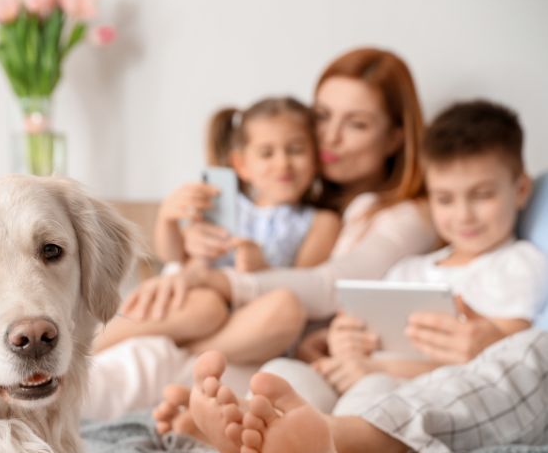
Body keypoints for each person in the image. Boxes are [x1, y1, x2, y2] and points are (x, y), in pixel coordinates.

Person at [181, 99, 548, 453]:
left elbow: (499, 368)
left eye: (482, 195)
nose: (464, 215)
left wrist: (374, 368)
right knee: (284, 374)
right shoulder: (410, 268)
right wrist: (340, 340)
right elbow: (356, 327)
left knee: (376, 391)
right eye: (445, 199)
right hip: (358, 377)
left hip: (408, 392)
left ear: (521, 190)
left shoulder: (520, 264)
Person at [87, 47, 439, 420]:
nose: (330, 138)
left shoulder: (406, 216)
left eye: (357, 124)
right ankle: (95, 349)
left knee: (169, 354)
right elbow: (188, 252)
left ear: (395, 138)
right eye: (322, 117)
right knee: (152, 346)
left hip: (267, 344)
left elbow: (326, 285)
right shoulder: (292, 197)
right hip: (218, 324)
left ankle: (168, 355)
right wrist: (182, 244)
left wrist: (216, 278)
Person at [93, 96, 341, 354]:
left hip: (252, 319)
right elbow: (174, 255)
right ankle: (92, 346)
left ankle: (188, 354)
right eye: (267, 153)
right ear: (242, 165)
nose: (283, 163)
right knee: (205, 307)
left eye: (296, 150)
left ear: (316, 157)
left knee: (282, 307)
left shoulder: (321, 222)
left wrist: (262, 268)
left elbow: (306, 288)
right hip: (200, 308)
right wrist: (168, 219)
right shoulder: (223, 203)